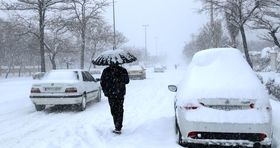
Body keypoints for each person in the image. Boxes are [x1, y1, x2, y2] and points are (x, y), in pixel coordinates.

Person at [100, 63, 129, 134]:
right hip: (115, 94)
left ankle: (118, 126)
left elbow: (127, 81)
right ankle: (118, 126)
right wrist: (105, 91)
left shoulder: (121, 70)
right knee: (118, 109)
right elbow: (102, 82)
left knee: (115, 109)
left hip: (115, 94)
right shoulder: (107, 70)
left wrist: (105, 91)